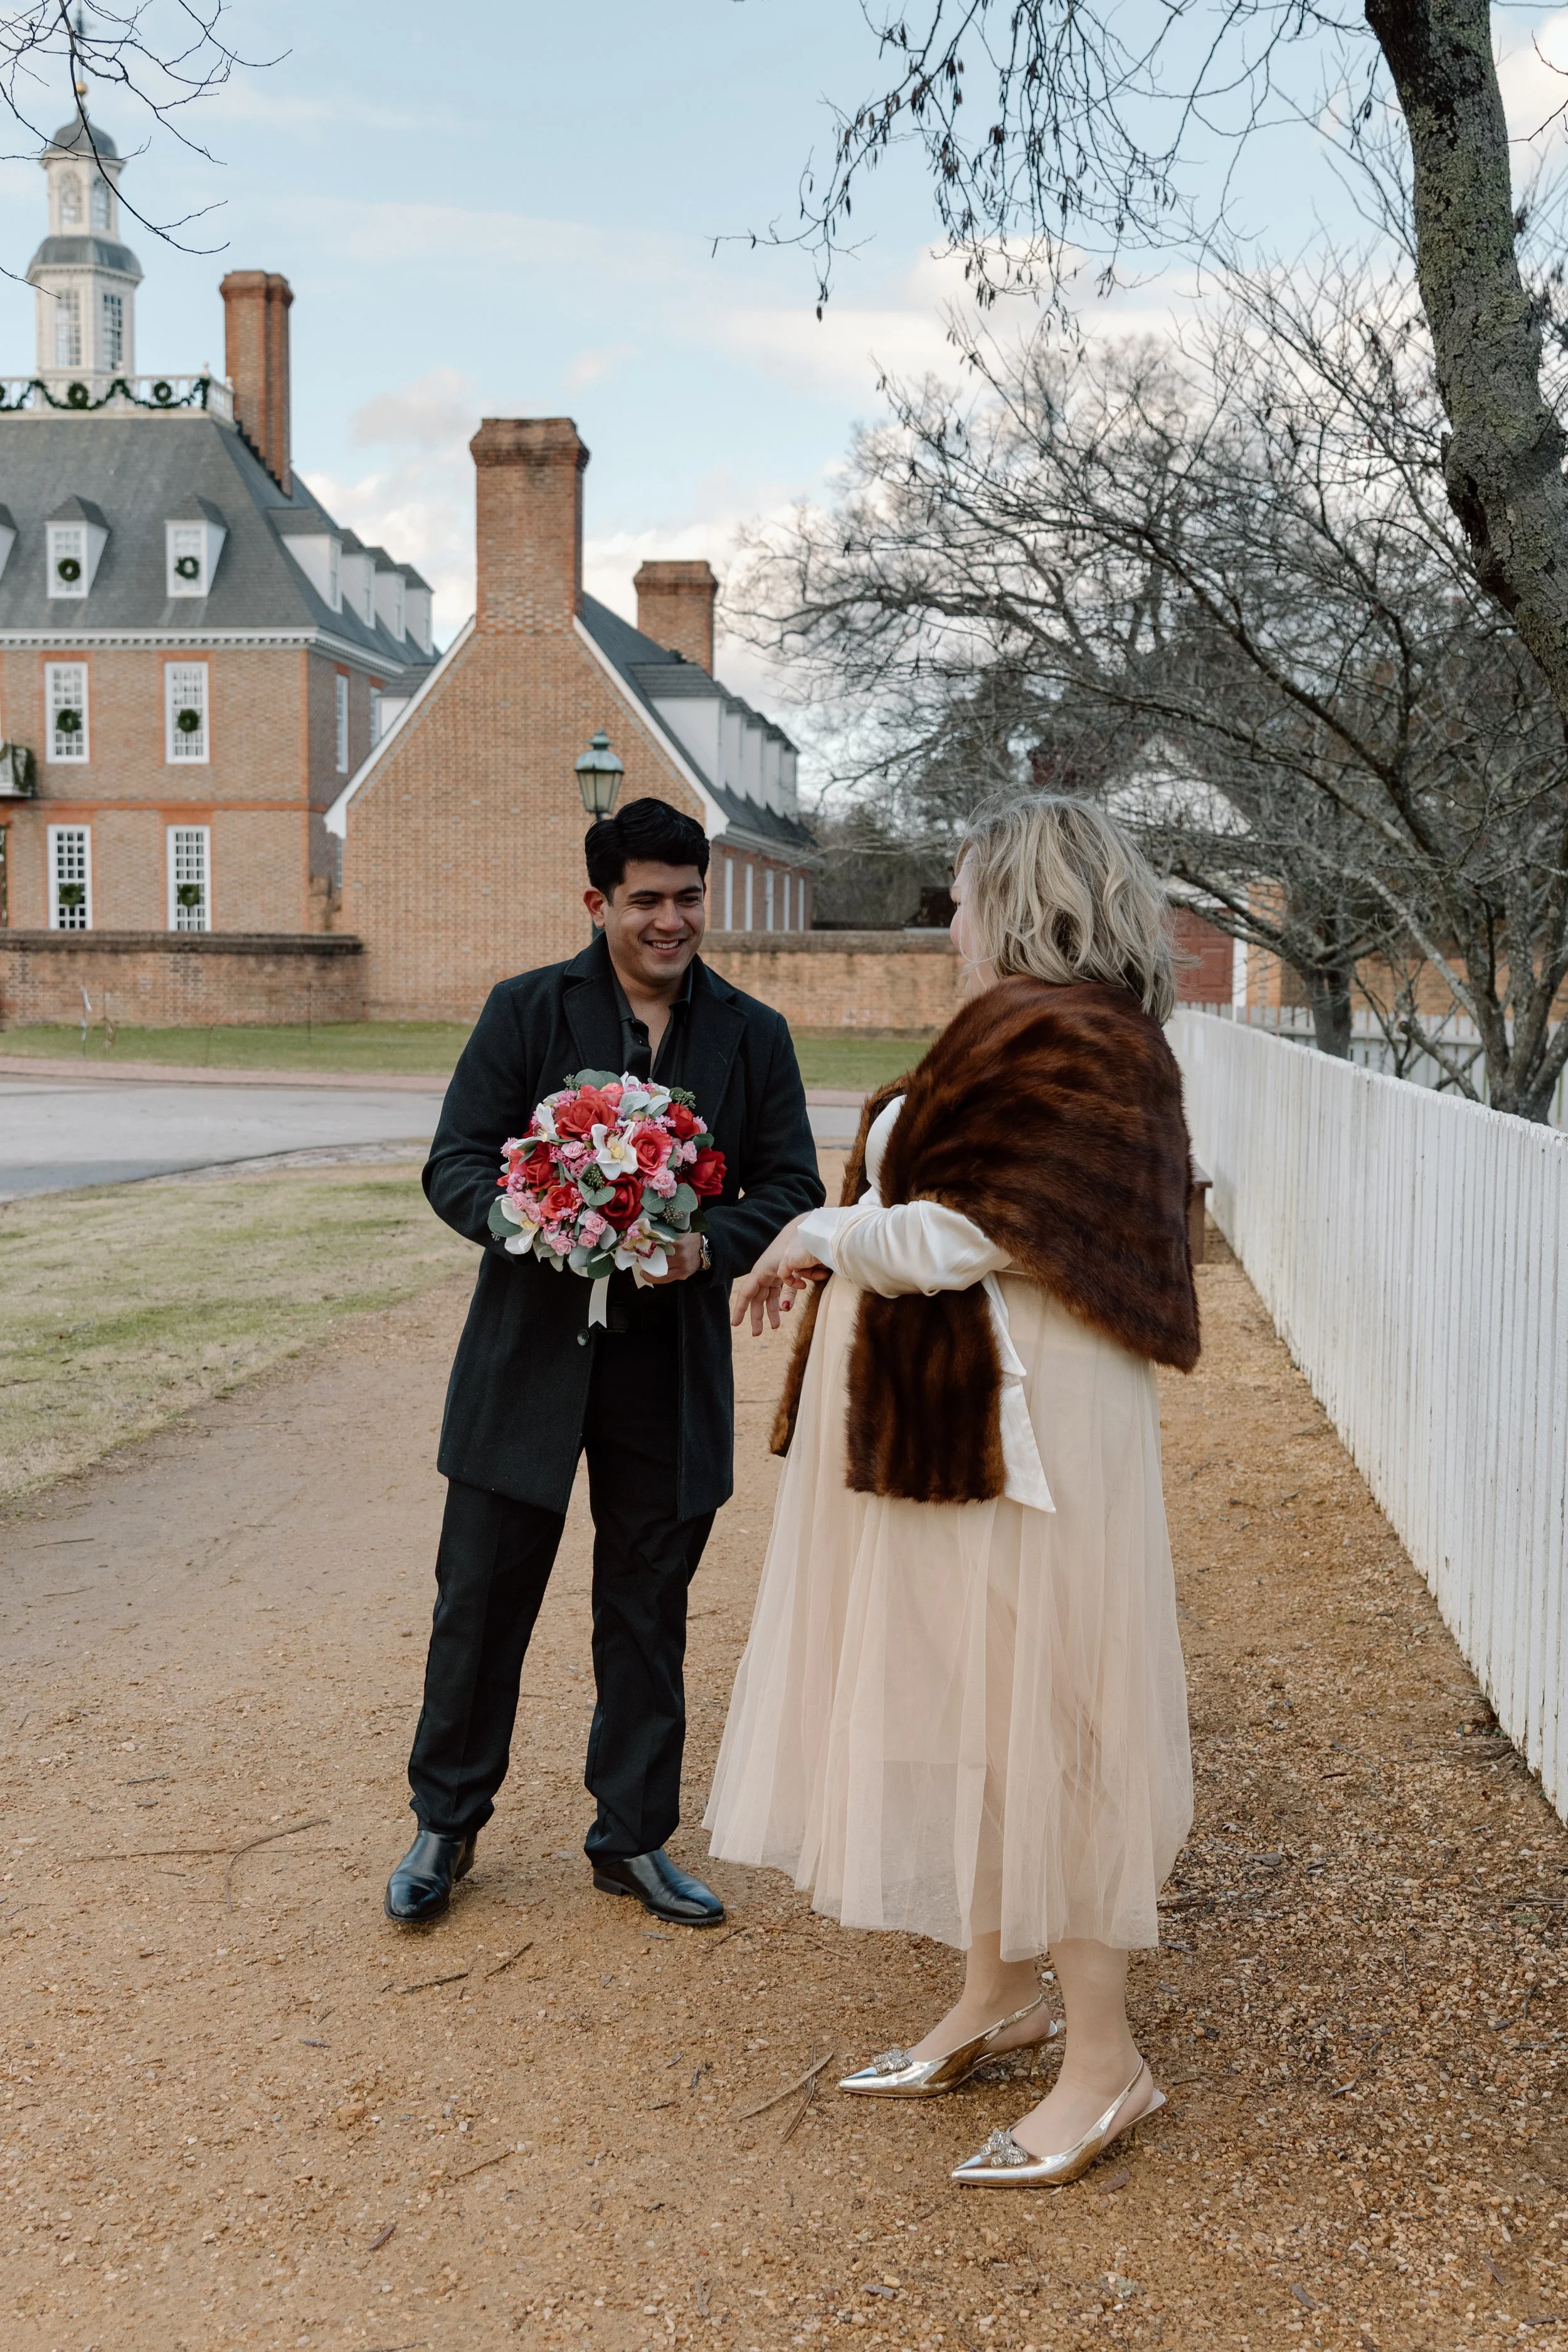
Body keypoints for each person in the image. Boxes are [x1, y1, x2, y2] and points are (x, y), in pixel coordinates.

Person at [707, 795, 1200, 2187]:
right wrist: (841, 1236)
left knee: (1057, 1719)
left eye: (964, 893)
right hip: (952, 1427)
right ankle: (998, 1994)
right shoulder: (1023, 1028)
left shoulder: (1085, 1040)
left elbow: (996, 1228)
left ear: (1027, 896)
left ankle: (1106, 2065)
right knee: (968, 1704)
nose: (948, 918)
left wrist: (812, 1229)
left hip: (1031, 1439)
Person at [386, 798, 824, 1930]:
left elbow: (790, 1187)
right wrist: (538, 1219)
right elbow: (454, 1164)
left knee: (647, 1607)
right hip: (526, 1355)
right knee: (479, 1598)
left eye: (689, 896)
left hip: (668, 1365)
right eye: (647, 900)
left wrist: (705, 1246)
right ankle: (445, 1822)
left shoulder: (753, 1032)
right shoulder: (526, 1010)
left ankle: (631, 1836)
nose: (672, 920)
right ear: (599, 903)